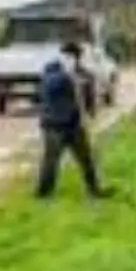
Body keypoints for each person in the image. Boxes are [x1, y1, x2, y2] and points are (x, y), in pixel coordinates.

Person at [35, 54, 114, 200]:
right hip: (54, 126)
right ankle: (43, 193)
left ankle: (94, 189)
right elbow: (55, 84)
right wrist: (70, 76)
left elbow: (85, 91)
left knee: (86, 158)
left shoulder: (74, 75)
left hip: (73, 124)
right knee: (51, 161)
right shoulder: (52, 76)